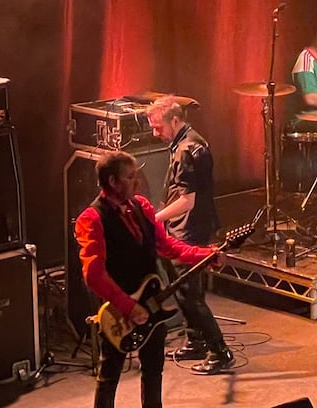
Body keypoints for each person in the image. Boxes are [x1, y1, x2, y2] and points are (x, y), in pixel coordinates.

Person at [74, 151, 225, 408]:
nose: (137, 182)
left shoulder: (141, 206)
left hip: (153, 304)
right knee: (109, 375)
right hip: (119, 313)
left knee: (153, 372)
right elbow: (94, 275)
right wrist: (128, 306)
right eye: (130, 177)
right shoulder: (92, 219)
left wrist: (207, 255)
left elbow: (167, 247)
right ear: (112, 182)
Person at [148, 95, 233, 375]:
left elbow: (187, 200)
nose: (154, 133)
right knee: (184, 292)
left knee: (189, 295)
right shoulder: (186, 142)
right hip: (187, 226)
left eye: (158, 127)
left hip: (190, 228)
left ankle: (219, 351)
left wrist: (153, 219)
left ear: (175, 120)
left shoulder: (187, 148)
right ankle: (196, 340)